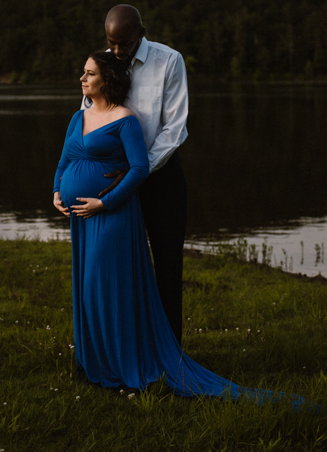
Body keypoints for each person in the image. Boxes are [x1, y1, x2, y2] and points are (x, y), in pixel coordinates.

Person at [52, 51, 273, 399]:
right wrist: (56, 190)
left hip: (110, 214)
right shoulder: (78, 116)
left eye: (89, 74)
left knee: (104, 283)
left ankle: (123, 362)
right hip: (80, 218)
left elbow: (140, 169)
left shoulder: (125, 120)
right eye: (83, 72)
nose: (82, 79)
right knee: (88, 288)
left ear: (106, 80)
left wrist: (104, 202)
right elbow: (65, 159)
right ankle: (94, 362)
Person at [55, 4, 190, 344]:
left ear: (140, 34)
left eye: (123, 44)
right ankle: (126, 345)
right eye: (110, 43)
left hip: (160, 178)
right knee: (117, 267)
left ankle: (170, 349)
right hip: (111, 180)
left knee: (167, 265)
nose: (116, 52)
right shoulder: (102, 62)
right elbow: (89, 115)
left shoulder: (169, 61)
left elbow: (174, 130)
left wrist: (136, 171)